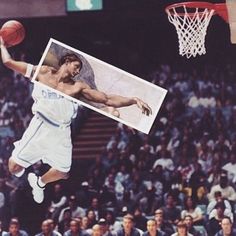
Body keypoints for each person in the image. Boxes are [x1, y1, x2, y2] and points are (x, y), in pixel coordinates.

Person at [0, 38, 152, 204]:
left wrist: (134, 100)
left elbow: (107, 99)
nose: (77, 71)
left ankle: (39, 182)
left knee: (63, 172)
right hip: (42, 126)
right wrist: (2, 45)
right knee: (13, 167)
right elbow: (9, 62)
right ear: (66, 61)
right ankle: (23, 169)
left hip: (63, 130)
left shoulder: (78, 87)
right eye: (76, 66)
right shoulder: (42, 72)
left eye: (80, 69)